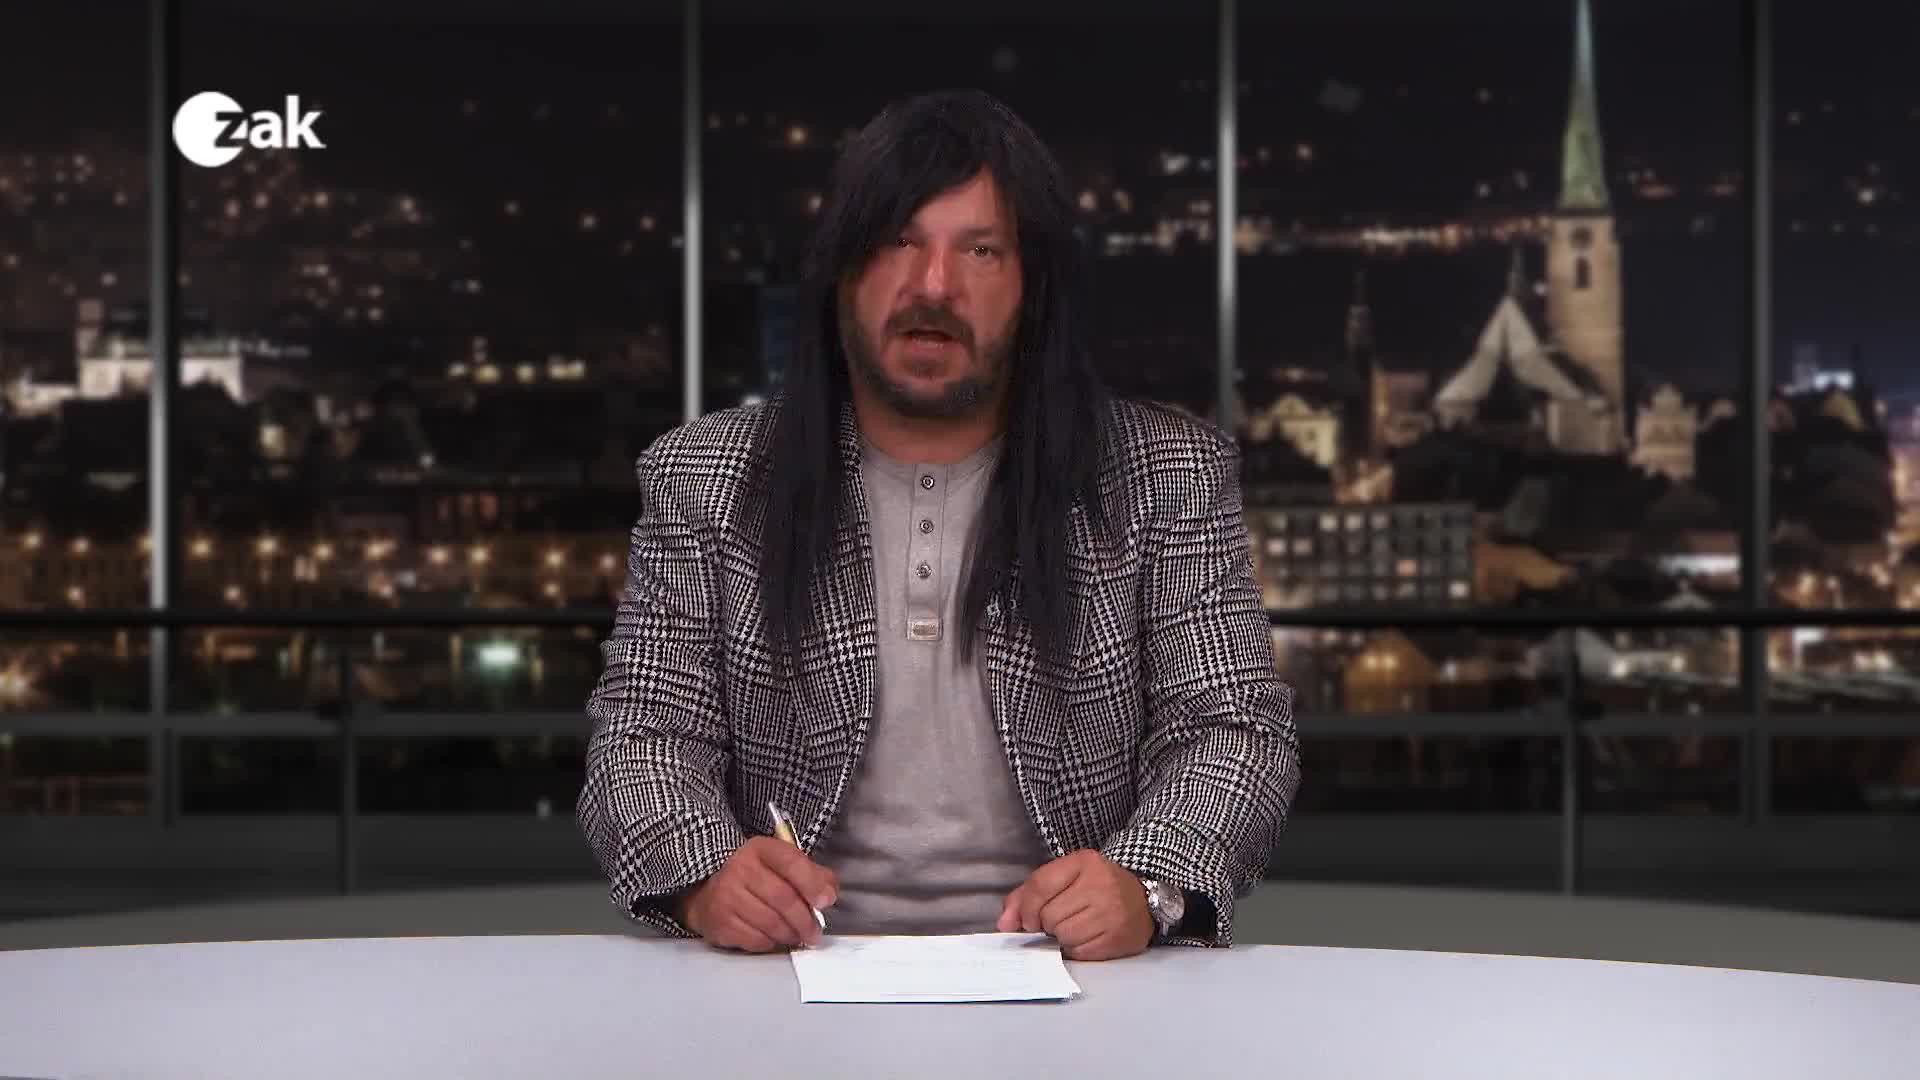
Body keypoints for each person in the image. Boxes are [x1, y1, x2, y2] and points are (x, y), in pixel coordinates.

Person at [578, 89, 1299, 961]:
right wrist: (706, 877)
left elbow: (1233, 727)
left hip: (1073, 975)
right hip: (792, 970)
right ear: (841, 275)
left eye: (981, 250)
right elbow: (643, 735)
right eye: (897, 242)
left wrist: (1144, 883)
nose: (932, 286)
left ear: (1033, 286)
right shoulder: (707, 478)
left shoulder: (1166, 475)